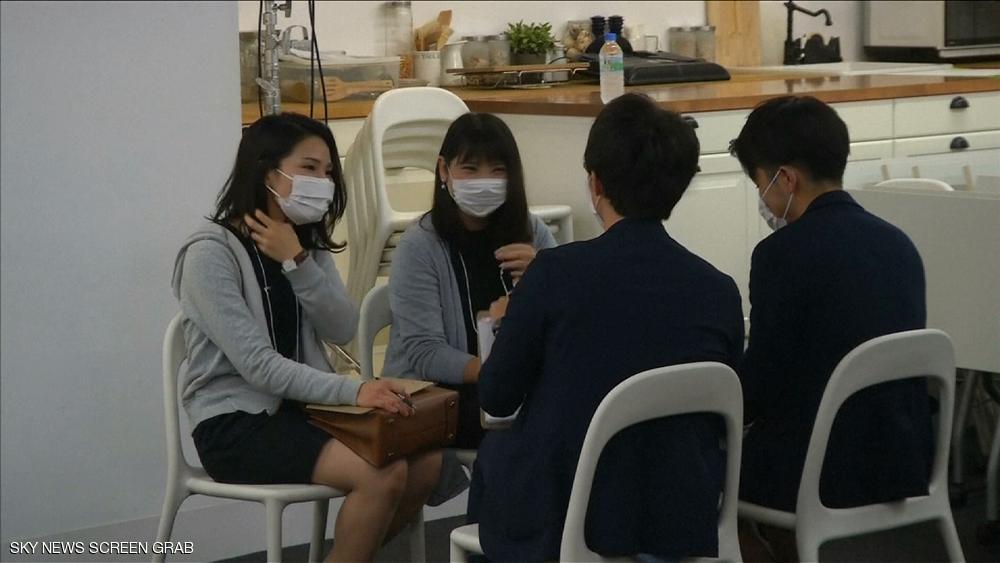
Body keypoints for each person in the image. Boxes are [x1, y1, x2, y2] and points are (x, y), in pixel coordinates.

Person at [467, 93, 745, 562]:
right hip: (682, 514)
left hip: (570, 517)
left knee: (499, 456)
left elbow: (496, 398)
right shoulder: (718, 290)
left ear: (595, 183)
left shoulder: (553, 273)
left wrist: (504, 325)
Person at [171, 112, 441, 563]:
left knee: (427, 464)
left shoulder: (303, 243)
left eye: (328, 172)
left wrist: (297, 260)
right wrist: (357, 391)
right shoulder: (209, 253)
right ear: (267, 171)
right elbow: (258, 366)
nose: (323, 182)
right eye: (310, 168)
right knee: (381, 474)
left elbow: (341, 327)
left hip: (302, 412)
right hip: (235, 424)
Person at [731, 96, 932, 562]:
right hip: (904, 455)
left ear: (786, 179)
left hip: (823, 469)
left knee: (704, 467)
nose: (762, 199)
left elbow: (762, 383)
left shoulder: (780, 254)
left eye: (759, 184)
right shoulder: (898, 243)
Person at [382, 112, 557, 450]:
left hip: (512, 388)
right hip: (440, 396)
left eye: (498, 170)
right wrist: (501, 373)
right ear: (444, 170)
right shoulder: (420, 245)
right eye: (471, 169)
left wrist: (543, 276)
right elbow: (425, 353)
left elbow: (565, 319)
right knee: (531, 434)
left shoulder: (532, 231)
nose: (484, 181)